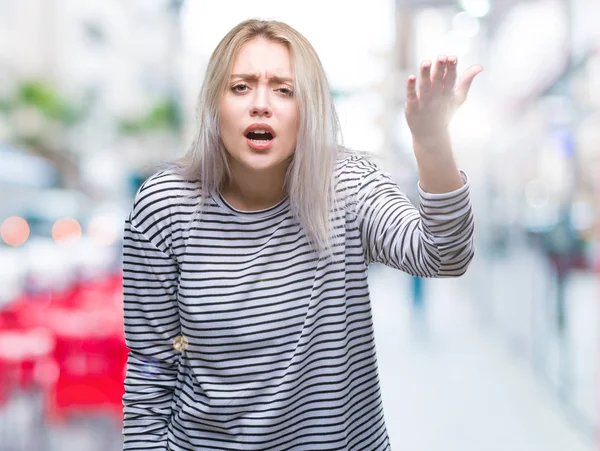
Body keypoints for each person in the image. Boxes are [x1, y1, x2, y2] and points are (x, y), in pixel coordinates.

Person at [122, 19, 480, 450]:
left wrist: (432, 143)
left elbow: (444, 255)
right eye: (240, 86)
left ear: (308, 108)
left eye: (283, 89)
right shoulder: (165, 205)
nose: (260, 104)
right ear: (214, 104)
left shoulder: (348, 184)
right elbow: (152, 363)